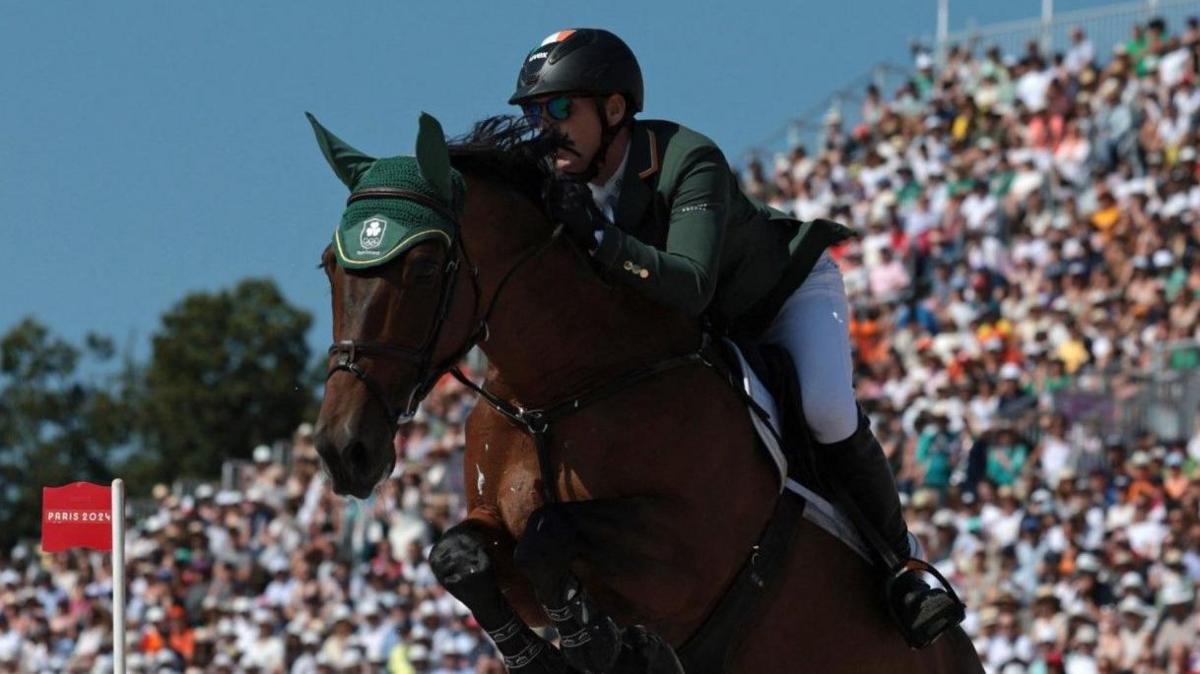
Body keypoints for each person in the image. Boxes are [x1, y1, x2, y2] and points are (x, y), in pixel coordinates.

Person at [507, 27, 964, 647]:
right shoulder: (553, 181)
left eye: (560, 107)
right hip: (702, 333)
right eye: (536, 112)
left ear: (614, 110)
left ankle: (906, 567)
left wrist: (602, 240)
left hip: (781, 299)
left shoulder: (685, 156)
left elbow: (692, 282)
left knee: (825, 411)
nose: (546, 126)